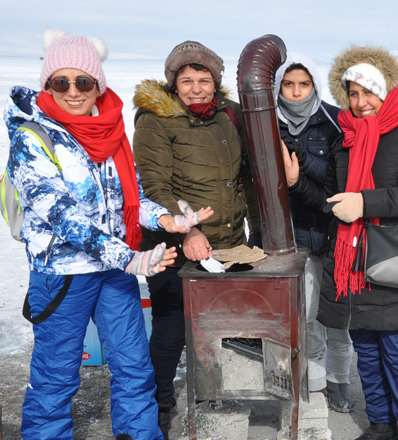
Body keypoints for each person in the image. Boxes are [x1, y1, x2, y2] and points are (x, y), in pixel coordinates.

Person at [5, 29, 210, 439]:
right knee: (55, 379)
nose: (73, 92)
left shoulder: (110, 132)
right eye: (60, 82)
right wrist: (130, 258)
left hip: (113, 274)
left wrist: (169, 220)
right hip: (62, 274)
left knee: (134, 368)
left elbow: (128, 197)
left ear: (98, 85)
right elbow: (61, 215)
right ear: (47, 85)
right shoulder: (32, 138)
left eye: (84, 81)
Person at [284, 45, 398, 440]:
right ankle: (381, 425)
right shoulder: (348, 136)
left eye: (368, 91)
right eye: (352, 94)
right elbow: (333, 200)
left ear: (388, 88)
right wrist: (296, 183)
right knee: (369, 354)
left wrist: (366, 201)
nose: (360, 103)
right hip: (353, 264)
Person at [132, 40, 260, 438]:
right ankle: (160, 402)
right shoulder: (155, 120)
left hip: (228, 238)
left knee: (224, 320)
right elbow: (154, 184)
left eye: (204, 79)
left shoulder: (229, 115)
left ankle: (217, 395)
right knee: (172, 324)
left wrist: (258, 227)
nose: (196, 88)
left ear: (216, 82)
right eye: (186, 80)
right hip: (173, 242)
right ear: (173, 84)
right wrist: (188, 229)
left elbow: (244, 176)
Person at [274, 53, 354, 412]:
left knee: (338, 319)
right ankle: (317, 382)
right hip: (295, 235)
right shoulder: (267, 124)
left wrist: (301, 165)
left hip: (334, 232)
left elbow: (340, 178)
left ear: (315, 86)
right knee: (306, 317)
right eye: (288, 85)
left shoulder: (335, 121)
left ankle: (341, 381)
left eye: (303, 84)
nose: (295, 92)